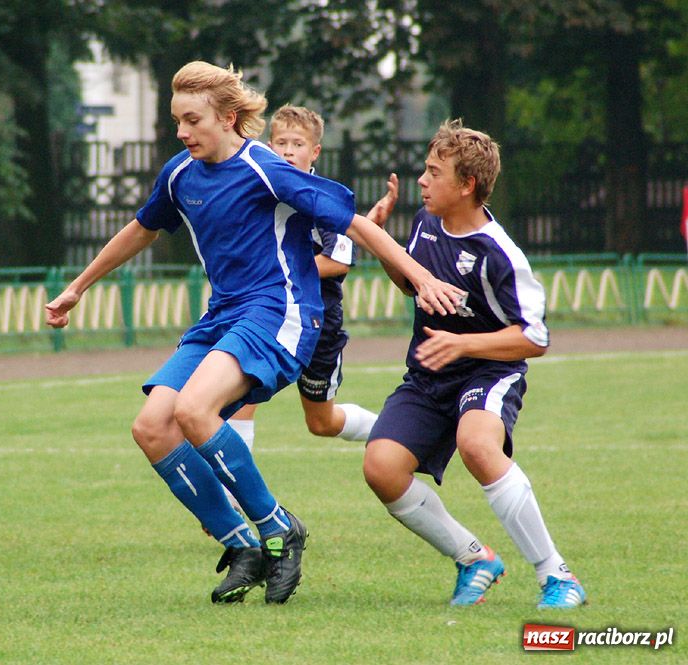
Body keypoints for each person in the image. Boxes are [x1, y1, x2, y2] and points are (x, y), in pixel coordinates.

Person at [46, 61, 463, 605]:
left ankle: (278, 528)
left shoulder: (265, 167)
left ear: (227, 117)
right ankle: (240, 542)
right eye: (176, 121)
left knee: (195, 410)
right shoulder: (179, 174)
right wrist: (79, 286)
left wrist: (422, 275)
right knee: (152, 427)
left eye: (192, 120)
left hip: (279, 311)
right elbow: (142, 229)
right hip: (223, 314)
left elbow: (356, 224)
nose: (182, 132)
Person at [362, 119, 587, 609]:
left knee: (478, 446)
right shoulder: (424, 225)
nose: (421, 180)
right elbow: (411, 285)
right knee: (381, 467)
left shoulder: (499, 253)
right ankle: (474, 558)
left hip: (487, 371)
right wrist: (380, 244)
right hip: (427, 375)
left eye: (433, 171)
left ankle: (558, 576)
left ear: (466, 186)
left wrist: (464, 346)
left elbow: (535, 337)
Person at [224, 105, 387, 474]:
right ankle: (234, 495)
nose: (287, 151)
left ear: (314, 152)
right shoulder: (261, 193)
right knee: (242, 395)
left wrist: (281, 266)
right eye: (280, 142)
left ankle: (395, 435)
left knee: (321, 423)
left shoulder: (320, 197)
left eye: (297, 144)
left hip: (318, 322)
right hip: (268, 314)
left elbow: (339, 261)